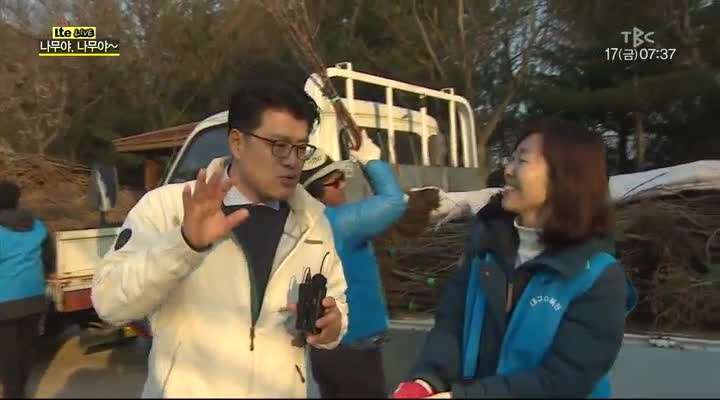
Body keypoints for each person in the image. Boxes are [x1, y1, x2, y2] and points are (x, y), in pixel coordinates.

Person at [91, 81, 349, 398]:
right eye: (279, 145)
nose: (292, 160)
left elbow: (337, 303)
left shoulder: (312, 221)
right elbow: (109, 304)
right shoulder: (169, 208)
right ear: (237, 143)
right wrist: (185, 244)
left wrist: (332, 327)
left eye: (300, 148)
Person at [392, 118, 637, 399]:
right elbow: (451, 326)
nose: (507, 170)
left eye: (522, 160)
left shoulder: (598, 277)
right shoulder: (484, 250)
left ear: (565, 177)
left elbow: (564, 380)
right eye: (511, 158)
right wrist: (425, 381)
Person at [300, 130, 407, 398]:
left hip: (325, 347)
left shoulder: (302, 224)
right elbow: (394, 201)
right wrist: (371, 162)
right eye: (334, 182)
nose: (343, 184)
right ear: (314, 193)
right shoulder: (340, 223)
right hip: (354, 344)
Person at [0, 181, 55, 398]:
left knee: (7, 352)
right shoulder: (38, 226)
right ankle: (19, 391)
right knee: (25, 349)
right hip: (34, 297)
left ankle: (13, 394)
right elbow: (49, 260)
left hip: (4, 301)